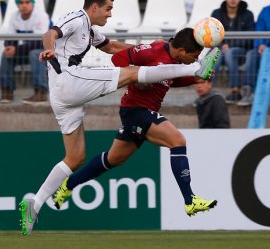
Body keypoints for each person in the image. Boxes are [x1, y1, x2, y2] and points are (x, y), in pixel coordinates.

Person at [19, 0, 219, 236]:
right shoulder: (77, 17)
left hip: (63, 98)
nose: (110, 15)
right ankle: (195, 69)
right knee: (134, 73)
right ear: (95, 7)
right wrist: (49, 49)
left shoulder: (91, 30)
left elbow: (111, 47)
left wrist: (141, 50)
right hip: (67, 79)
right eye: (108, 9)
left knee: (75, 158)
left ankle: (34, 204)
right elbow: (50, 33)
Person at [51, 28, 218, 221]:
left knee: (113, 159)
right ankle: (190, 201)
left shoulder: (177, 61)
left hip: (139, 112)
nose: (196, 59)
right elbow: (117, 59)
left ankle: (68, 185)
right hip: (136, 111)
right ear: (181, 51)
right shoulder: (152, 51)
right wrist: (135, 78)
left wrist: (195, 78)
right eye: (194, 55)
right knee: (177, 141)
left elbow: (170, 80)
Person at [0, 0, 50, 104]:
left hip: (47, 51)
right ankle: (6, 90)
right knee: (5, 54)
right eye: (21, 3)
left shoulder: (41, 16)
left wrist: (16, 48)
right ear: (17, 4)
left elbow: (40, 42)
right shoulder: (14, 17)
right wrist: (9, 47)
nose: (24, 5)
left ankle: (41, 92)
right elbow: (10, 36)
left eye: (27, 2)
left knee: (35, 54)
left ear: (32, 3)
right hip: (26, 51)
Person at [210, 0, 255, 104]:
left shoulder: (248, 14)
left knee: (229, 52)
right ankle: (208, 90)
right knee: (215, 54)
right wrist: (221, 45)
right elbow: (212, 34)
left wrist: (229, 45)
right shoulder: (216, 14)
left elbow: (249, 38)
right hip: (221, 50)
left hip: (241, 51)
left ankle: (235, 90)